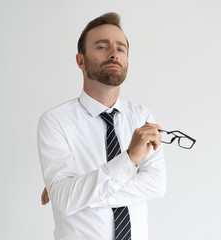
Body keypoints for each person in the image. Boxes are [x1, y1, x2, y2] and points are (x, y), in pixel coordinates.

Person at [37, 12, 166, 240]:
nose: (114, 54)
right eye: (102, 46)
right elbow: (65, 200)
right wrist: (129, 160)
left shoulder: (142, 116)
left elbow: (156, 185)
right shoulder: (55, 121)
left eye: (121, 48)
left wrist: (81, 193)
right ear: (81, 61)